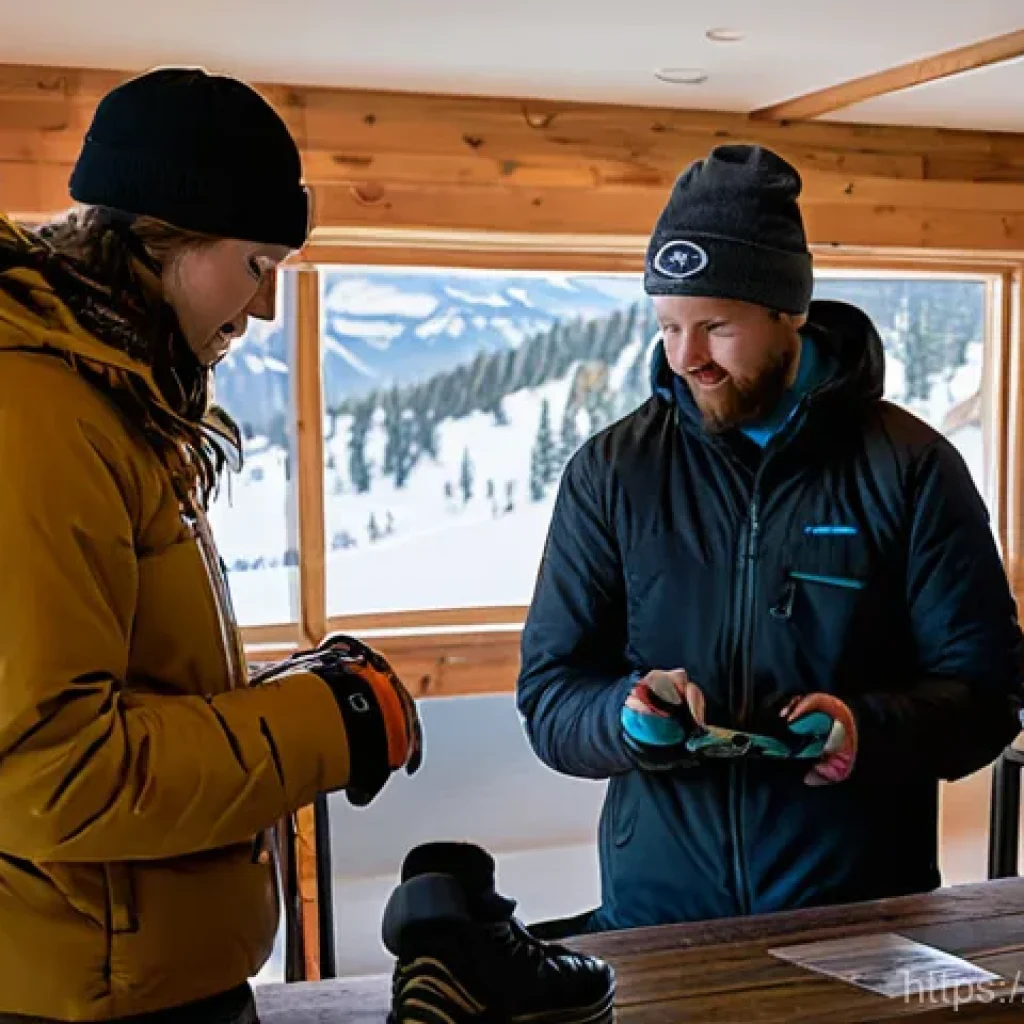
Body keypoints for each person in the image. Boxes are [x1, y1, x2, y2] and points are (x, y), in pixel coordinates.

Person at [0, 68, 421, 1022]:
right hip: (85, 996)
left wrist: (296, 692)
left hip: (128, 977)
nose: (264, 308)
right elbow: (50, 770)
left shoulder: (105, 396)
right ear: (165, 238)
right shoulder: (37, 413)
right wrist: (328, 724)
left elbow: (120, 689)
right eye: (257, 263)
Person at [516, 144, 1023, 935]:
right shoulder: (612, 472)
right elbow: (550, 694)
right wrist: (624, 715)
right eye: (668, 325)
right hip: (660, 922)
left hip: (861, 917)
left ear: (789, 312)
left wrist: (868, 729)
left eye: (715, 326)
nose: (685, 357)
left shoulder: (911, 468)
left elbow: (989, 695)